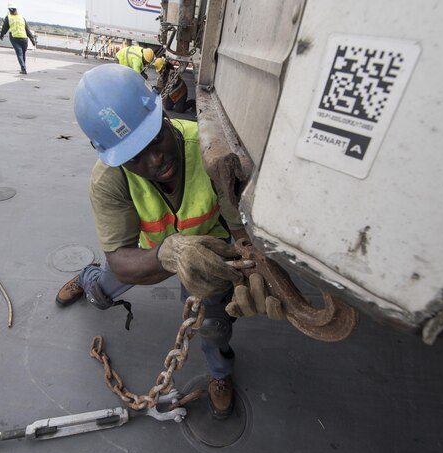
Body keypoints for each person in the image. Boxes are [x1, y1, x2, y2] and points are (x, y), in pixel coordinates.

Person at [55, 64, 282, 420]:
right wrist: (169, 252)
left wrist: (253, 266)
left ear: (163, 117)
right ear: (115, 158)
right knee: (101, 292)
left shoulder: (210, 153)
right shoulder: (107, 182)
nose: (156, 158)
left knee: (214, 326)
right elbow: (120, 261)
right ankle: (87, 280)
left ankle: (219, 375)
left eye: (157, 138)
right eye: (136, 157)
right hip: (149, 256)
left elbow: (241, 234)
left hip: (209, 254)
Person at [0, 2, 36, 75]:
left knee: (19, 54)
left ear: (9, 10)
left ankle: (23, 68)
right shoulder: (22, 17)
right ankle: (23, 67)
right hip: (24, 38)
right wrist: (32, 40)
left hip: (15, 38)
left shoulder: (9, 17)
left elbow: (5, 28)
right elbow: (27, 30)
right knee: (23, 54)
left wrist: (2, 35)